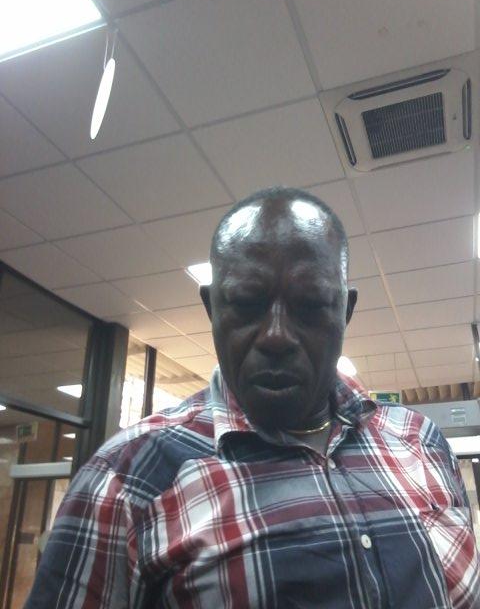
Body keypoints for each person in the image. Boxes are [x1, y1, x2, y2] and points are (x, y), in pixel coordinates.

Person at [25, 187, 480, 608]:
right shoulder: (125, 478)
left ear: (345, 310)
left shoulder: (421, 441)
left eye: (310, 305)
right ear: (212, 308)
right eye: (246, 303)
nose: (276, 336)